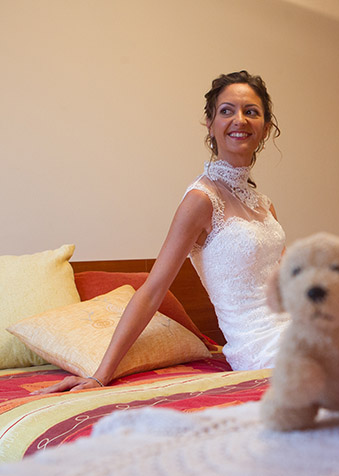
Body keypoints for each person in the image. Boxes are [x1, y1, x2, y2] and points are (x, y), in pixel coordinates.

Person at [36, 71, 289, 393]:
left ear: (265, 127)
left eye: (251, 111)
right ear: (210, 124)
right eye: (227, 111)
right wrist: (100, 375)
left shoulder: (264, 206)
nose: (239, 120)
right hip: (260, 344)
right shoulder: (201, 200)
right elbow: (153, 290)